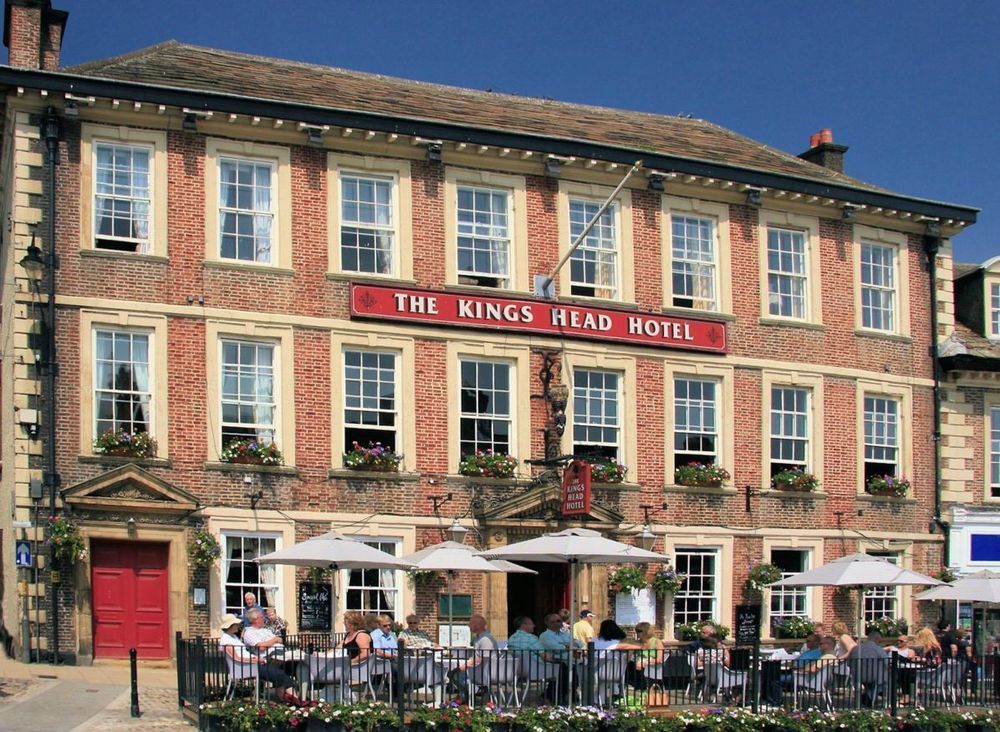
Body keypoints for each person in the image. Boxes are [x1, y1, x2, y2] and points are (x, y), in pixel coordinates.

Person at [218, 613, 300, 704]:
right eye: (236, 624)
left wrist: (255, 659)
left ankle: (290, 700)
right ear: (230, 626)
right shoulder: (226, 640)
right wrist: (255, 660)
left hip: (252, 664)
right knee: (279, 674)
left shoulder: (233, 637)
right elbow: (236, 658)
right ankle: (294, 701)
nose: (238, 625)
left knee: (281, 673)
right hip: (247, 667)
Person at [508, 616, 561, 702]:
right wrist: (556, 658)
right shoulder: (531, 638)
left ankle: (548, 695)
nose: (534, 625)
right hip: (535, 669)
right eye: (531, 624)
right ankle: (554, 697)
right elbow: (545, 657)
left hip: (518, 670)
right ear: (524, 625)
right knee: (563, 669)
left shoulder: (511, 639)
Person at [448, 614, 498, 702]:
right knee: (453, 673)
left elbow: (483, 658)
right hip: (479, 669)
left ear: (477, 625)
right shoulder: (478, 638)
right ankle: (467, 696)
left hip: (484, 672)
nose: (468, 626)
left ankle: (474, 691)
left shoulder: (485, 639)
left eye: (470, 624)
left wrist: (466, 665)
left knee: (455, 674)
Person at [850, 629, 890, 707]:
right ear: (876, 639)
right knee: (889, 679)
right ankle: (871, 696)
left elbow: (849, 664)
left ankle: (868, 695)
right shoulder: (878, 649)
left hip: (857, 677)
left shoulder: (855, 649)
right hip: (874, 677)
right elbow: (887, 662)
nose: (880, 643)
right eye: (880, 641)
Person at [626, 622, 664, 690]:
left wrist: (645, 662)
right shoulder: (637, 642)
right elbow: (628, 658)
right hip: (637, 664)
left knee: (638, 665)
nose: (637, 633)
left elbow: (659, 659)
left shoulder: (657, 642)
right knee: (627, 665)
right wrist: (631, 650)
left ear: (646, 631)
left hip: (652, 664)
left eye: (639, 631)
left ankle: (640, 686)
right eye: (636, 631)